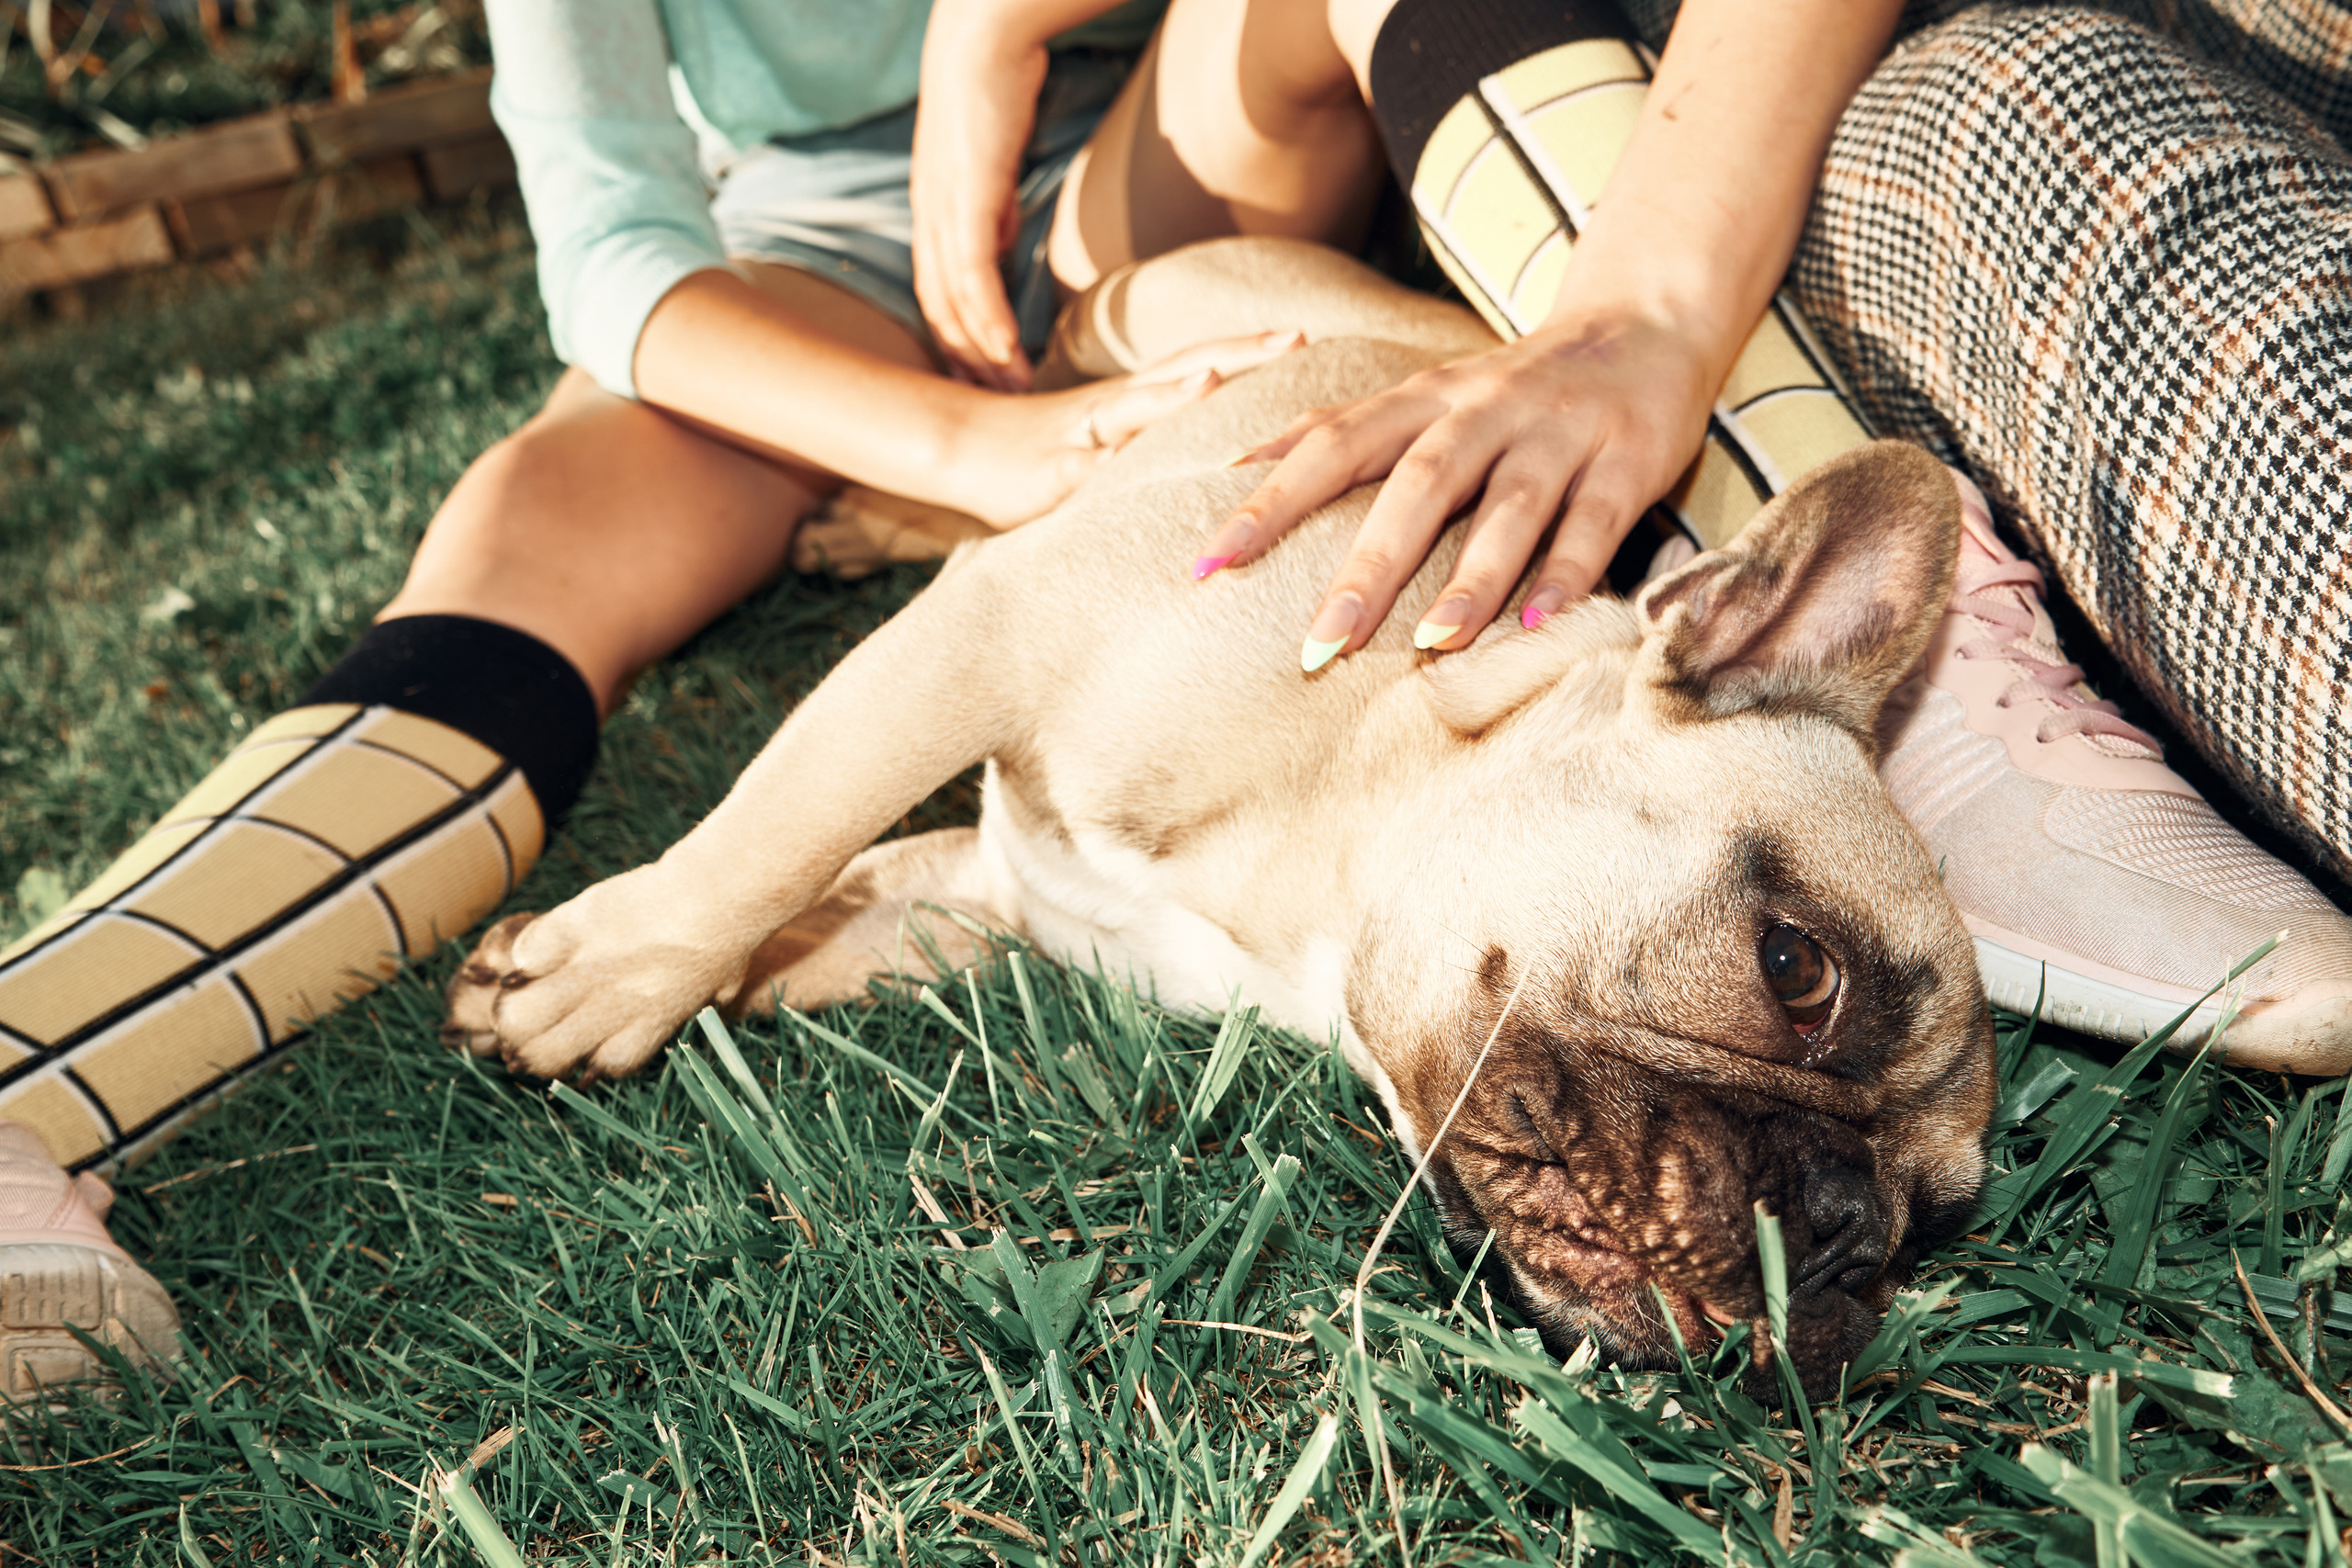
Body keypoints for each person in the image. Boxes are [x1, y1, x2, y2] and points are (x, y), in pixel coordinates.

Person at [6, 0, 2352, 1395]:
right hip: (796, 312)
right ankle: (42, 1065)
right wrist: (974, 454)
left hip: (1130, 232)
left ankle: (1851, 594)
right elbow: (616, 249)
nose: (1786, 1218)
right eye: (1788, 987)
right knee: (516, 549)